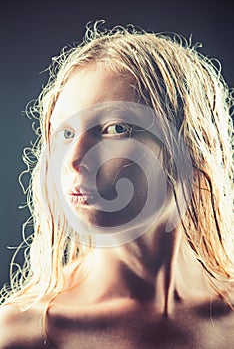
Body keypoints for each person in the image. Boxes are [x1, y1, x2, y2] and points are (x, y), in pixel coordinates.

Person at [0, 22, 233, 348]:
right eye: (66, 134)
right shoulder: (22, 332)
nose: (74, 159)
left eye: (115, 128)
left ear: (189, 145)